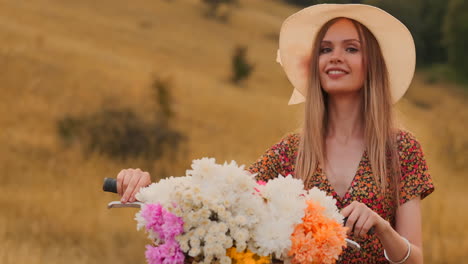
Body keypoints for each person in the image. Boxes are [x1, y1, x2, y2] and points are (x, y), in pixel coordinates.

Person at [115, 4, 434, 264]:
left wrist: (382, 227)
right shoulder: (291, 151)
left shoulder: (401, 149)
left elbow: (415, 258)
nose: (335, 56)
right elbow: (219, 201)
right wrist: (147, 187)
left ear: (372, 65)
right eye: (325, 49)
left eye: (351, 48)